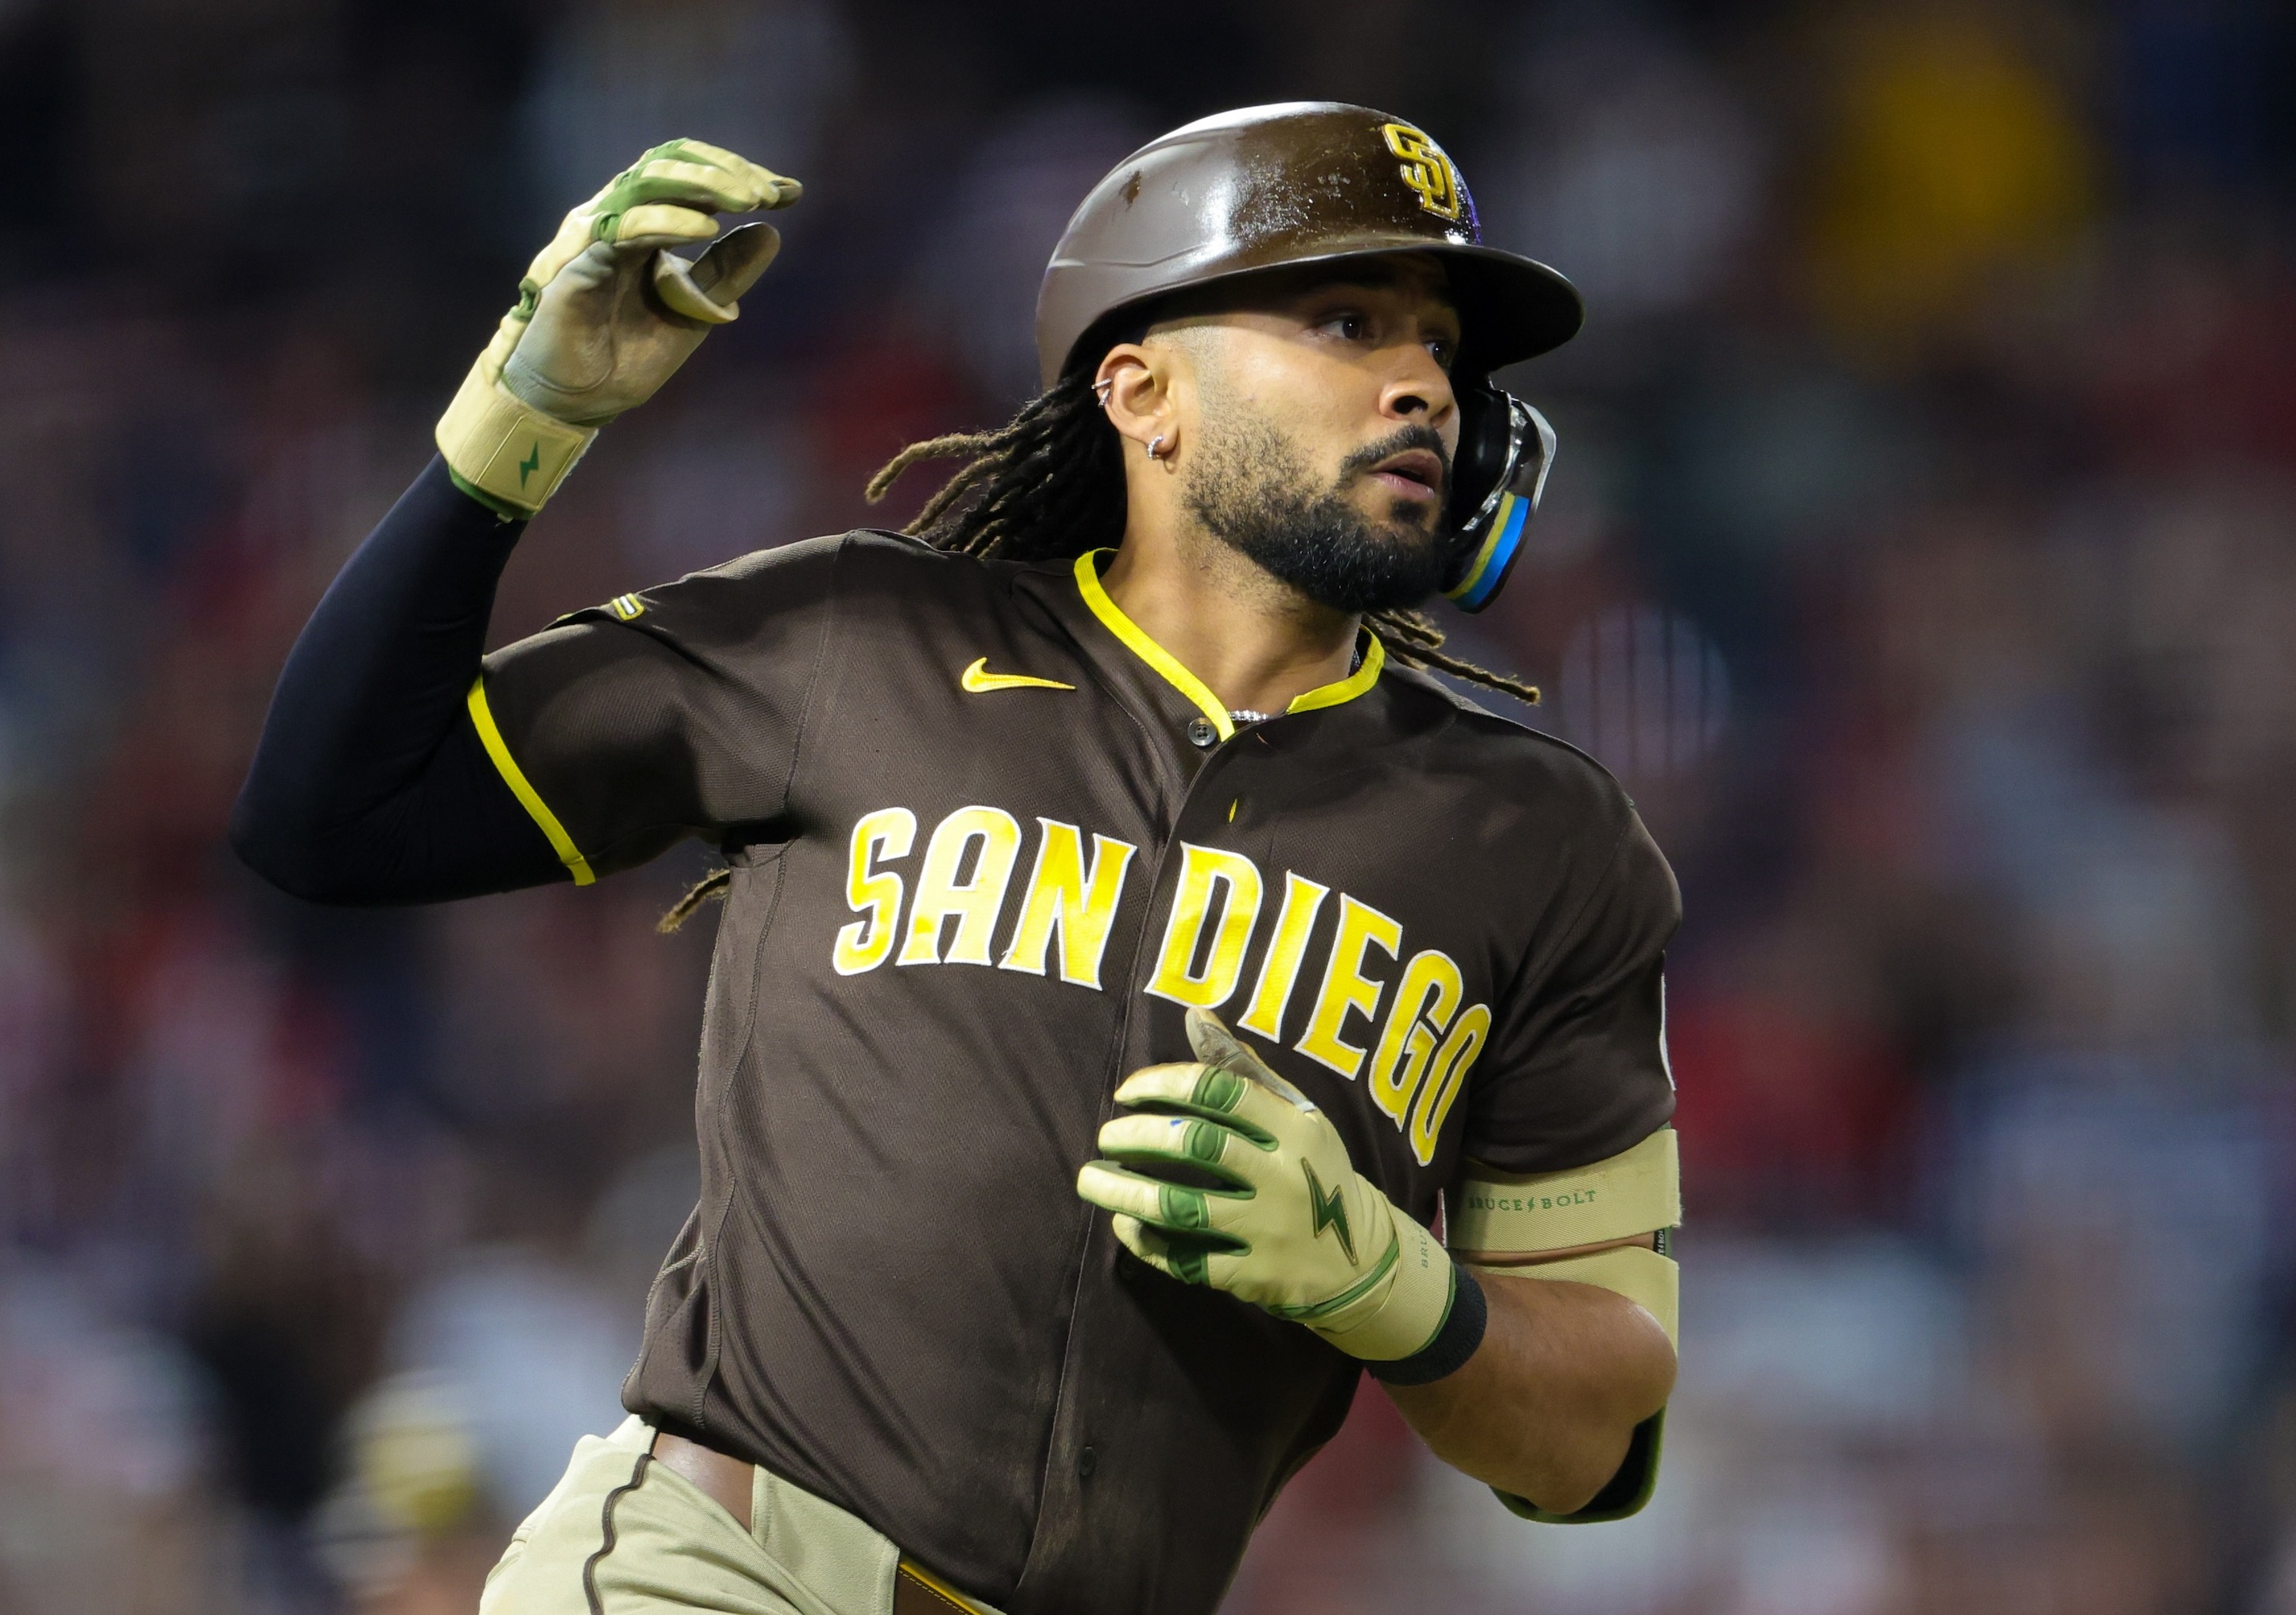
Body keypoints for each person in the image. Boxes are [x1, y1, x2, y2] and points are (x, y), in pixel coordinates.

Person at [233, 103, 1683, 1615]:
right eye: (1346, 321)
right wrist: (518, 421)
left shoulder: (1545, 842)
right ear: (1142, 391)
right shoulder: (858, 642)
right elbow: (330, 814)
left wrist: (1394, 1285)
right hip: (723, 1569)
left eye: (1441, 345)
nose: (1423, 383)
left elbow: (1598, 1444)